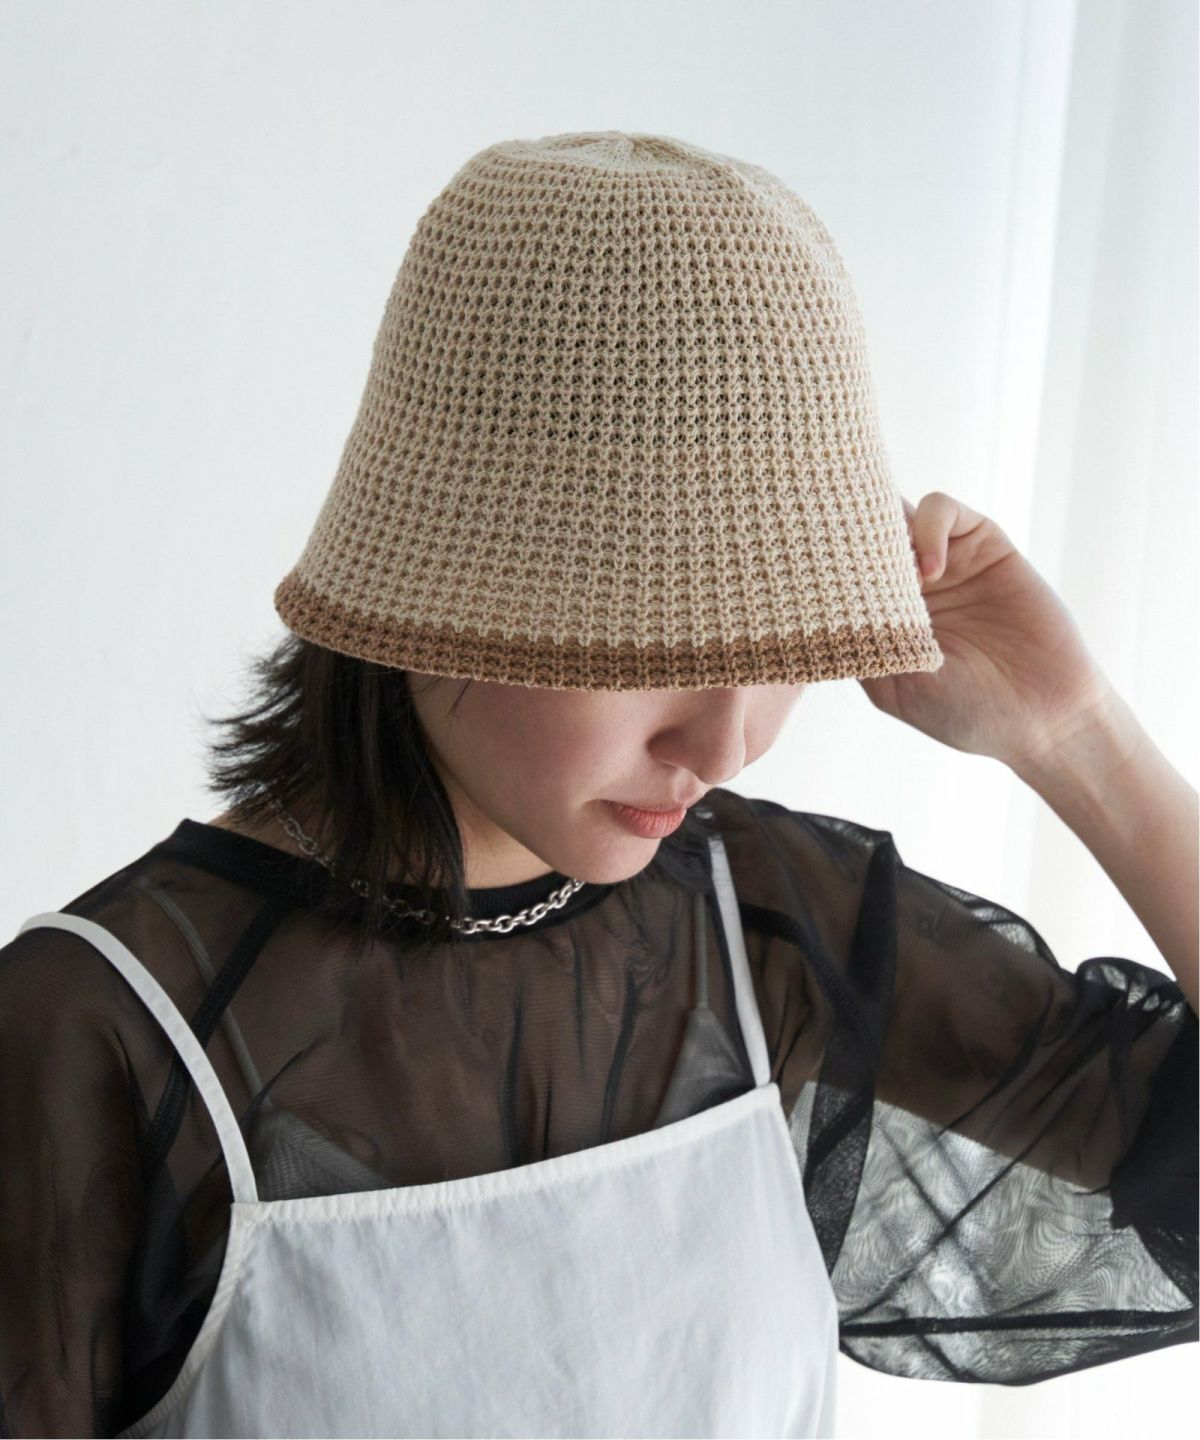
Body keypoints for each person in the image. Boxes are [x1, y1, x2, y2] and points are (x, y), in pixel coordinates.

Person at [1, 131, 1195, 1440]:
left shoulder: (765, 920)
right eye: (659, 643)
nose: (725, 747)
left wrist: (1080, 737)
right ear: (439, 575)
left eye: (782, 649)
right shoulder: (105, 1033)